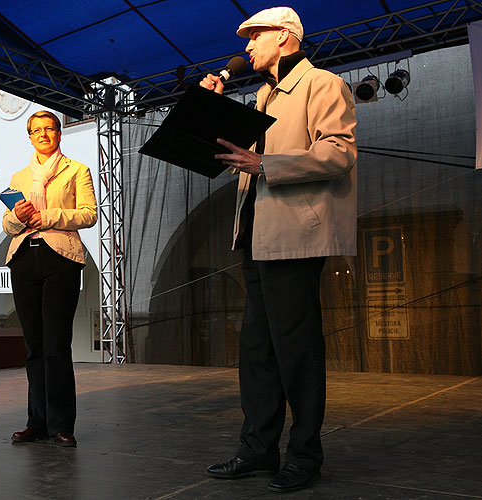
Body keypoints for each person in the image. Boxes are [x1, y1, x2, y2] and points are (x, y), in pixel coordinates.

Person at [200, 6, 357, 493]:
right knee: (258, 350)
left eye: (255, 36)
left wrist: (265, 162)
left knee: (297, 350)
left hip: (295, 234)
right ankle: (258, 449)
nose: (246, 46)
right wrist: (210, 109)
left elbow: (339, 152)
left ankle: (305, 455)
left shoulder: (322, 84)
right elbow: (235, 154)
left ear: (285, 37)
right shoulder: (263, 94)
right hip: (255, 233)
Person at [1, 111, 97, 447]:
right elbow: (7, 226)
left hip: (61, 257)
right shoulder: (19, 177)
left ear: (59, 133)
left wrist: (48, 216)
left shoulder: (76, 170)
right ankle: (36, 422)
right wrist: (17, 215)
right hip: (24, 258)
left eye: (49, 128)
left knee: (56, 346)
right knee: (34, 348)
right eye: (36, 130)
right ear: (29, 136)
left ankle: (60, 424)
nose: (43, 134)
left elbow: (89, 214)